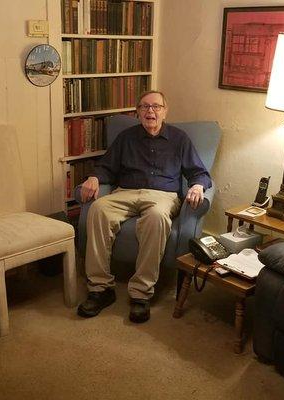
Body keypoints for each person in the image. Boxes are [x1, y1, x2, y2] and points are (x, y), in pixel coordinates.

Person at [77, 90, 212, 323]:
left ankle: (141, 293)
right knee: (99, 210)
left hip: (162, 196)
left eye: (156, 107)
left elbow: (199, 172)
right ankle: (100, 288)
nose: (151, 111)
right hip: (126, 192)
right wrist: (94, 178)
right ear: (137, 111)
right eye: (145, 107)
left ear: (165, 111)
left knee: (157, 218)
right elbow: (106, 166)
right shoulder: (126, 137)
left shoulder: (180, 139)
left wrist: (198, 186)